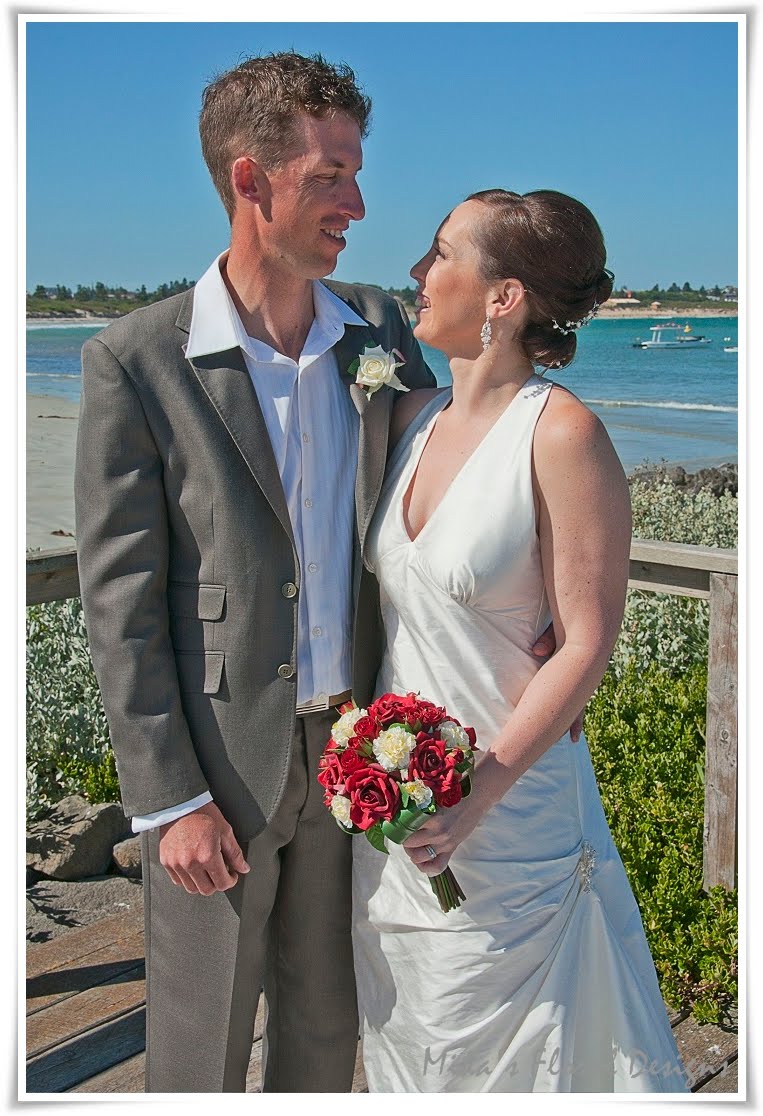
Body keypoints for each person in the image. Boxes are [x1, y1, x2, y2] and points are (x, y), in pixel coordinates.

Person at [73, 52, 439, 1093]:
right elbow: (122, 603)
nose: (357, 204)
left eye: (355, 173)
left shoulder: (381, 332)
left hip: (357, 750)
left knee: (329, 1029)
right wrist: (167, 801)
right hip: (218, 766)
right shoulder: (137, 360)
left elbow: (450, 482)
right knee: (200, 1040)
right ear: (250, 180)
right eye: (330, 176)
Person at [351, 189, 690, 1092]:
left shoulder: (562, 433)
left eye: (439, 253)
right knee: (413, 1040)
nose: (417, 274)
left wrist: (477, 794)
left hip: (510, 807)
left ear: (503, 298)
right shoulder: (407, 419)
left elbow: (584, 642)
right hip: (401, 808)